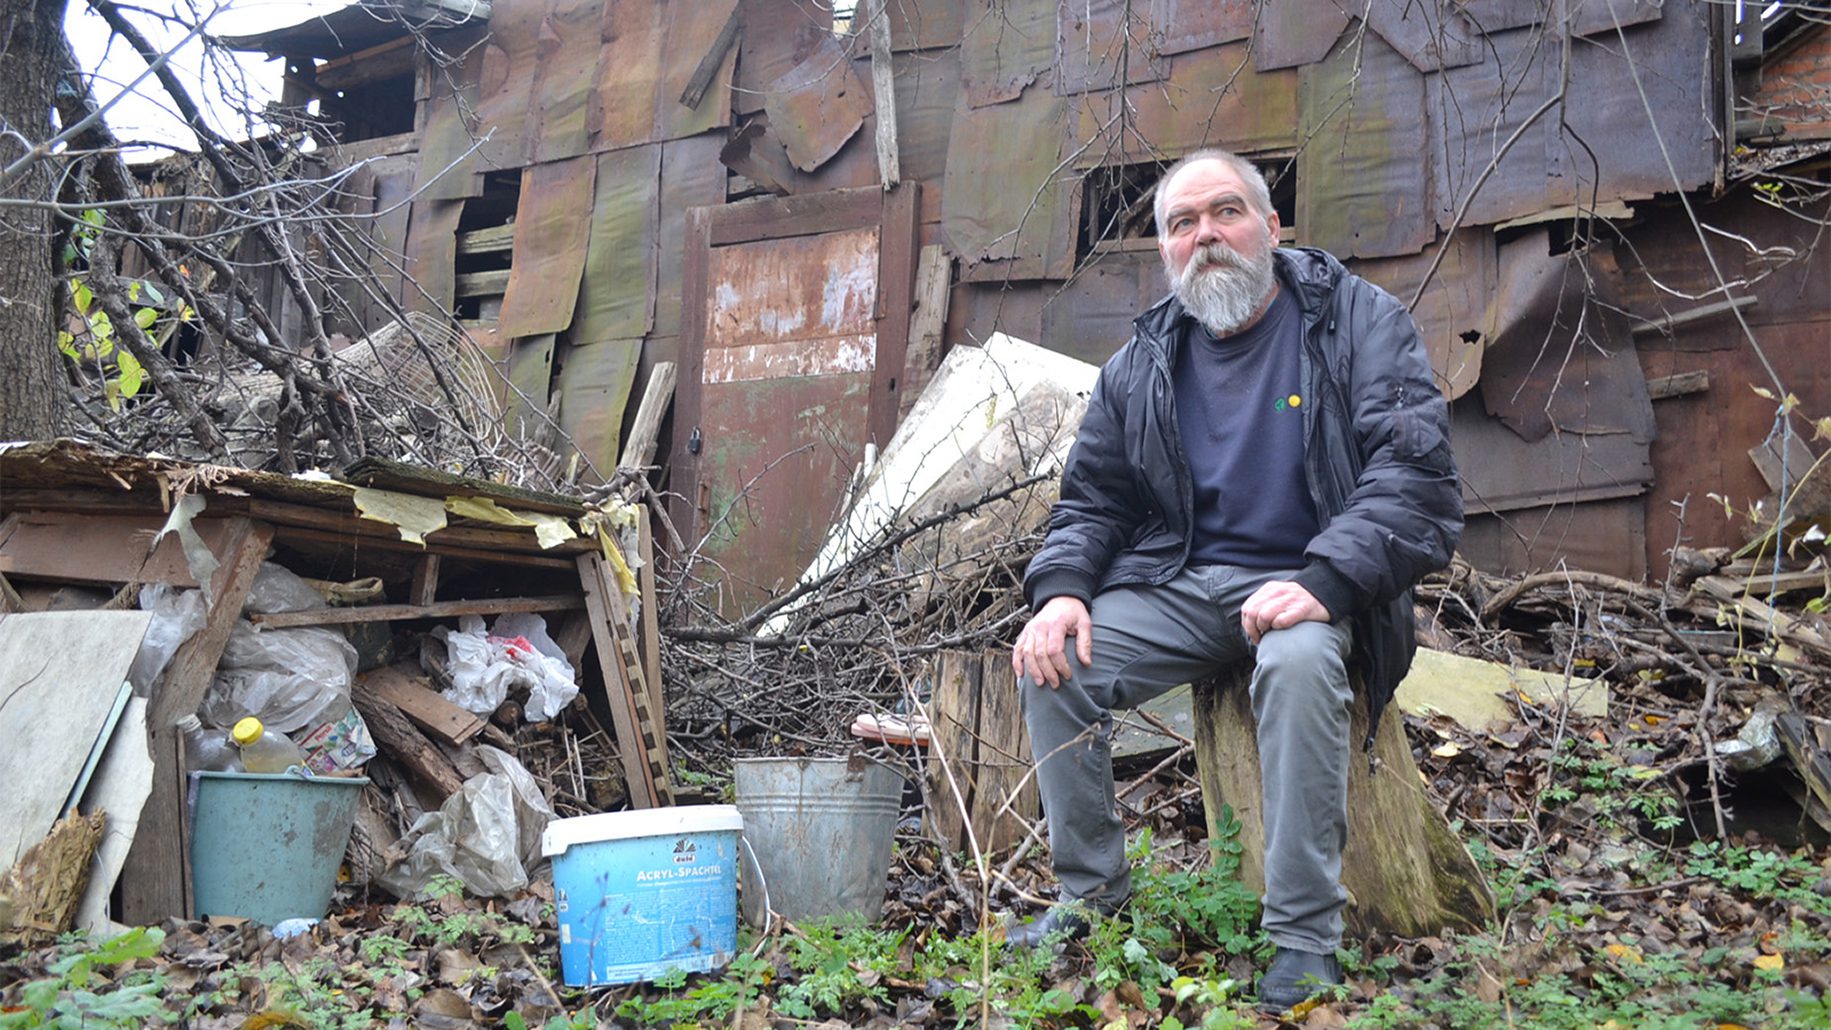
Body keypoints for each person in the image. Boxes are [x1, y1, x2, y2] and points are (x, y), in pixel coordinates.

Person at [1008, 149, 1462, 1011]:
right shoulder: (1140, 363)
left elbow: (1415, 478)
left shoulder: (1358, 322)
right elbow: (1092, 502)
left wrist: (1326, 581)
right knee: (1051, 661)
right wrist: (1062, 589)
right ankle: (1092, 897)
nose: (1205, 235)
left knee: (1294, 666)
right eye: (1182, 224)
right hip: (1185, 584)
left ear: (1270, 227)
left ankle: (1301, 936)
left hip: (1313, 580)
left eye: (1225, 212)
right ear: (1165, 250)